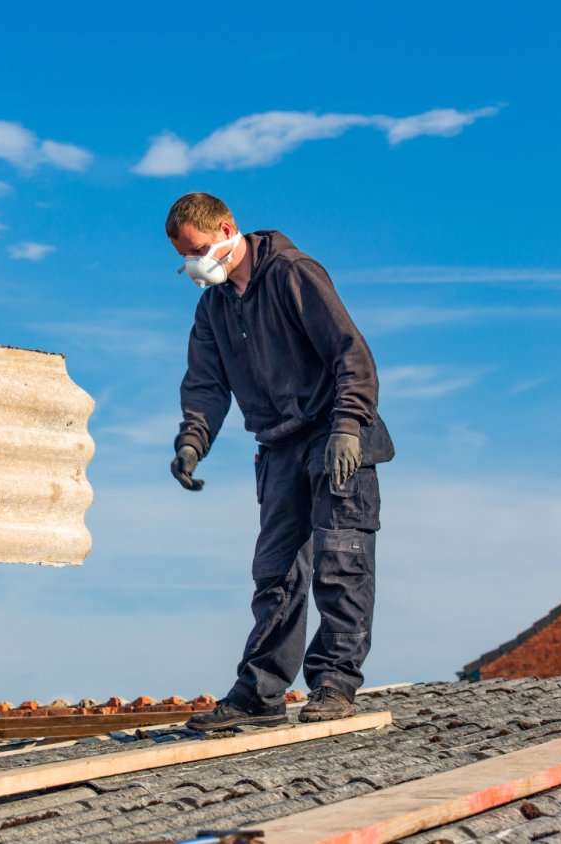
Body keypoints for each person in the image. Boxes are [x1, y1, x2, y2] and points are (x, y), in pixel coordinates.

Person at [165, 192, 393, 729]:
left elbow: (351, 353)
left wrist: (347, 426)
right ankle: (260, 694)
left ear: (227, 230)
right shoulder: (214, 309)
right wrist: (192, 441)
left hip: (335, 433)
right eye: (185, 257)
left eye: (198, 250)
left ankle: (334, 683)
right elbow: (206, 384)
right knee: (275, 573)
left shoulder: (293, 273)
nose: (194, 264)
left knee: (341, 559)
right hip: (278, 447)